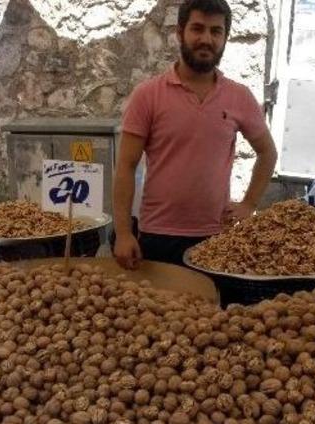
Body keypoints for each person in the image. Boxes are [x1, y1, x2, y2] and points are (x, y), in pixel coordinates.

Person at [112, 0, 278, 269]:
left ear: (224, 38)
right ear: (180, 33)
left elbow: (267, 153)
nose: (206, 39)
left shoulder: (240, 97)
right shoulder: (148, 95)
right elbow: (126, 167)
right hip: (158, 236)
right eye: (197, 29)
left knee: (210, 309)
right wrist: (123, 233)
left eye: (216, 31)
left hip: (216, 237)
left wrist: (249, 203)